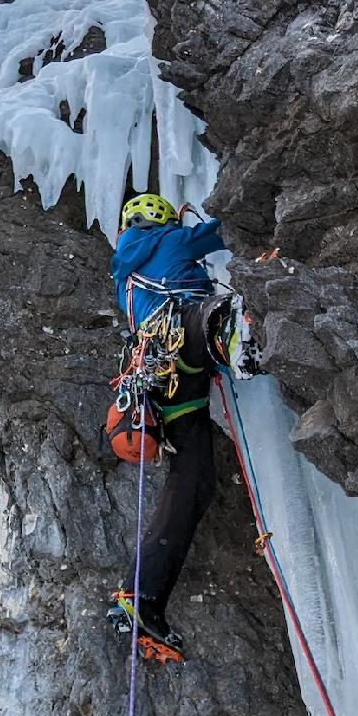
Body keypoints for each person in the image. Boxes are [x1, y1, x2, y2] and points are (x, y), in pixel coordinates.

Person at [105, 192, 232, 663]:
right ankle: (236, 336)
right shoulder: (169, 239)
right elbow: (220, 229)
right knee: (207, 317)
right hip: (184, 345)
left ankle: (142, 597)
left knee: (193, 483)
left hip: (165, 387)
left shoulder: (124, 273)